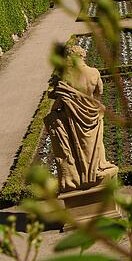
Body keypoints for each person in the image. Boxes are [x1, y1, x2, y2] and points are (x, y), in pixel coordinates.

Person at [45, 44, 117, 192]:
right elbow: (99, 93)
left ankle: (83, 176)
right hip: (93, 116)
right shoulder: (94, 72)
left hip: (73, 118)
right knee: (96, 144)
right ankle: (98, 166)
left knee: (79, 147)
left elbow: (59, 101)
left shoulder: (67, 76)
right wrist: (89, 104)